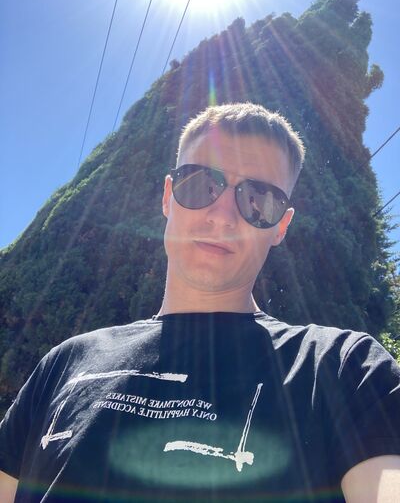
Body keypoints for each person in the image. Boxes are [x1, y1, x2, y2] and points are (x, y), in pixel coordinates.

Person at [1, 102, 400, 502]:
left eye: (258, 198)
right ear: (167, 197)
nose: (222, 215)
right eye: (200, 184)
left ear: (281, 226)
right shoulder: (63, 364)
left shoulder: (343, 369)